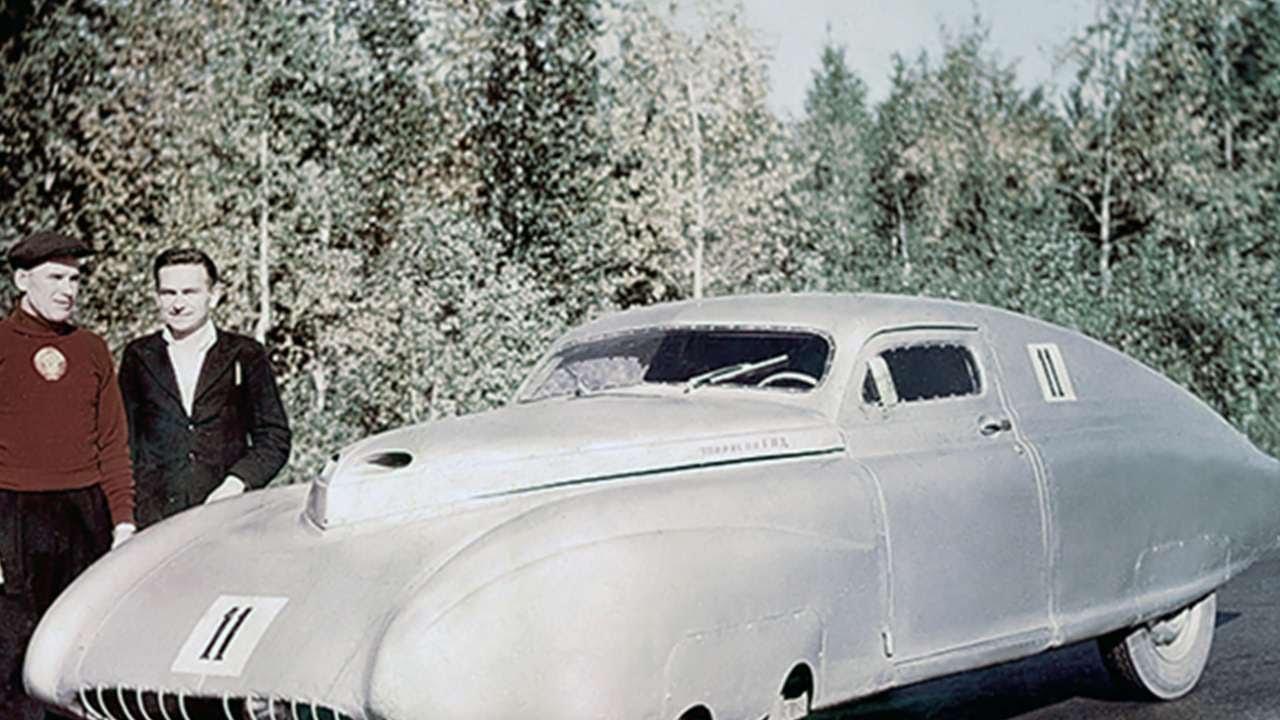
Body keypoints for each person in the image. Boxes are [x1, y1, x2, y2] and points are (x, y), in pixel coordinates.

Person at [0, 230, 136, 720]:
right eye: (55, 277)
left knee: (78, 656)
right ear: (22, 280)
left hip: (83, 516)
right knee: (13, 660)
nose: (68, 290)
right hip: (14, 515)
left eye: (75, 279)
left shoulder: (91, 348)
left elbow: (112, 444)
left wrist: (123, 523)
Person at [118, 247, 291, 528]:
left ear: (214, 295)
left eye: (190, 292)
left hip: (226, 518)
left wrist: (236, 484)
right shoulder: (138, 355)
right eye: (168, 293)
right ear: (156, 297)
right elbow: (124, 442)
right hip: (155, 521)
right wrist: (125, 519)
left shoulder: (245, 353)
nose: (178, 304)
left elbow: (274, 437)